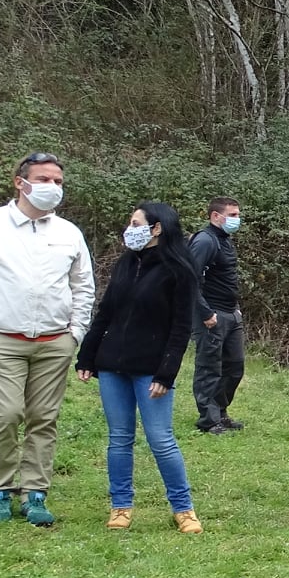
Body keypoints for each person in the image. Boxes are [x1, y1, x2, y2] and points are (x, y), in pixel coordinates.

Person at [0, 151, 96, 526]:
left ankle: (35, 493)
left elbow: (83, 286)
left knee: (44, 417)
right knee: (6, 415)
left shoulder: (68, 233)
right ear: (20, 182)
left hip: (54, 342)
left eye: (58, 181)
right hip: (0, 339)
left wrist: (75, 333)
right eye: (44, 180)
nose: (52, 188)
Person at [74, 202, 202, 534]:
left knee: (161, 440)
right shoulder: (125, 264)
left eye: (135, 223)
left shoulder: (179, 271)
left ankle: (183, 509)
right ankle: (121, 507)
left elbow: (180, 328)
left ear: (156, 228)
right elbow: (106, 312)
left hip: (151, 370)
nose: (129, 228)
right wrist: (87, 355)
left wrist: (166, 373)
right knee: (119, 439)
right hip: (113, 365)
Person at [189, 197, 247, 435]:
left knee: (235, 367)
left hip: (231, 313)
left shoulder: (225, 240)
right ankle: (208, 420)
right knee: (209, 367)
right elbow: (189, 279)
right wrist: (205, 312)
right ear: (215, 216)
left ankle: (221, 413)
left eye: (237, 215)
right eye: (232, 215)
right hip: (211, 314)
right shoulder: (205, 241)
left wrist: (235, 309)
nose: (237, 220)